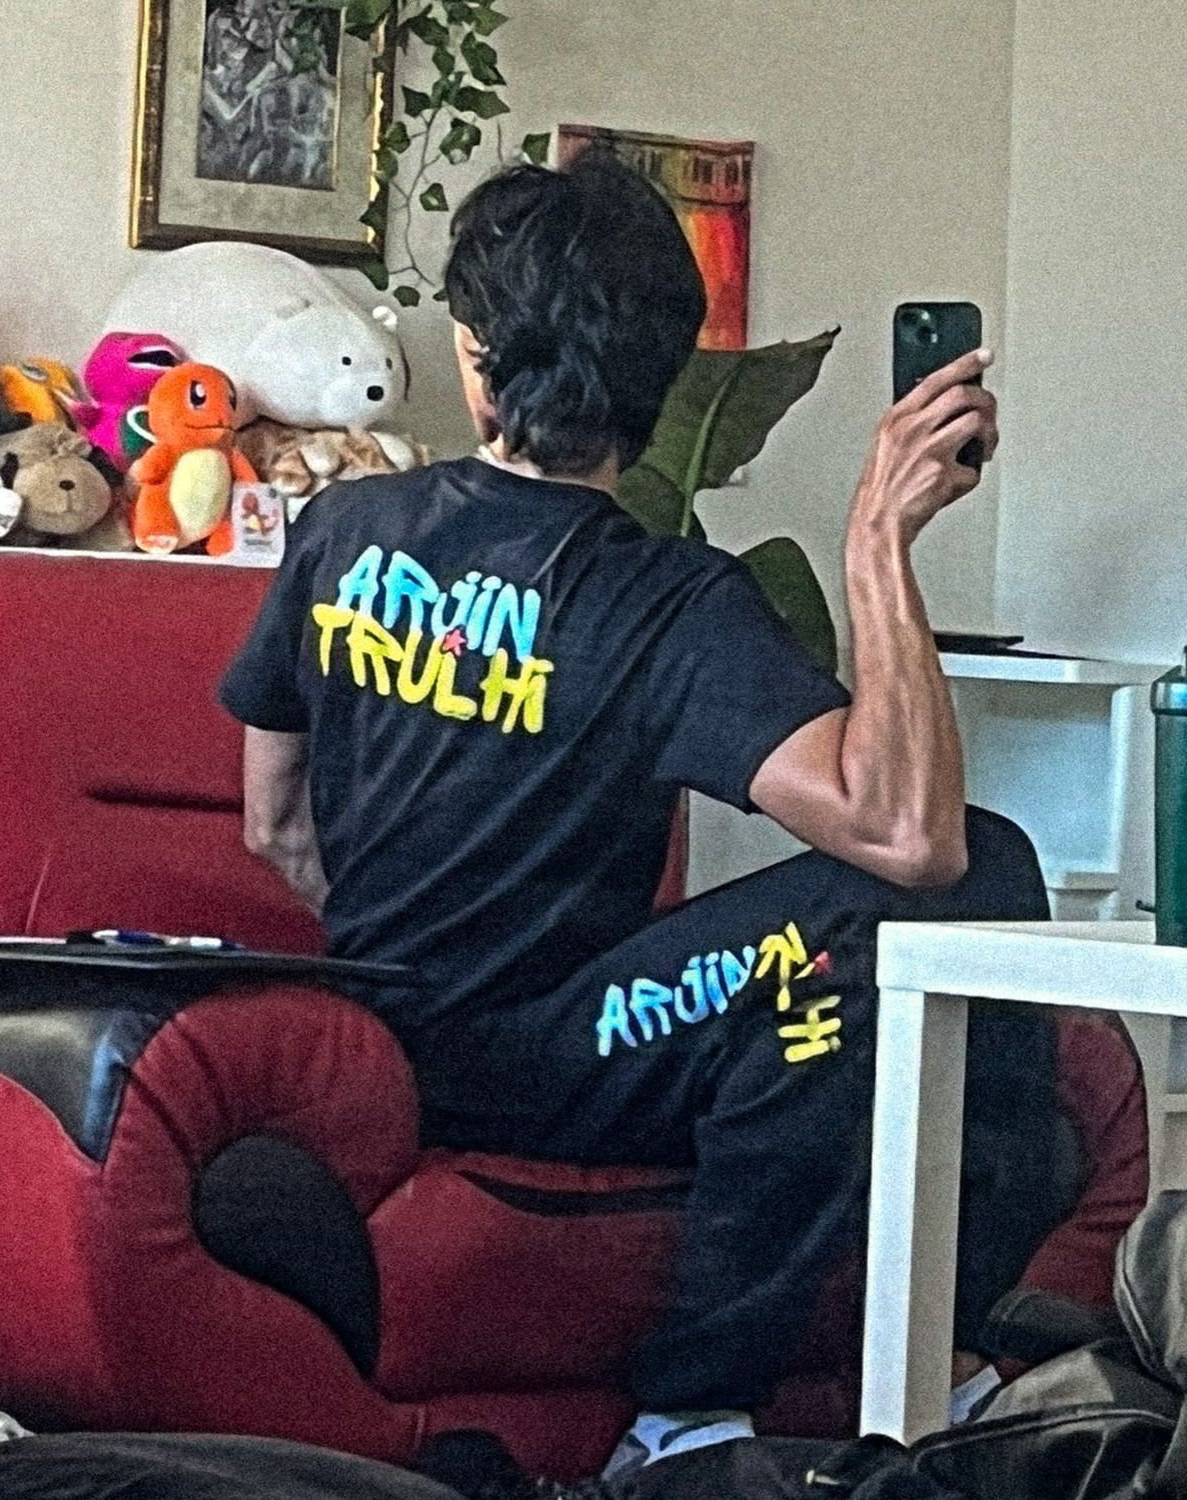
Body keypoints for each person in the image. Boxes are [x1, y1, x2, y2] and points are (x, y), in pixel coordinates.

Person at [219, 151, 1051, 1477]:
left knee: (831, 968)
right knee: (953, 884)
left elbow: (274, 824)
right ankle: (709, 1408)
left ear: (476, 357)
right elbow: (912, 839)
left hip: (381, 1038)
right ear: (663, 381)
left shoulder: (344, 529)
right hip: (547, 1062)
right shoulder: (663, 600)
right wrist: (877, 543)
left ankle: (915, 1349)